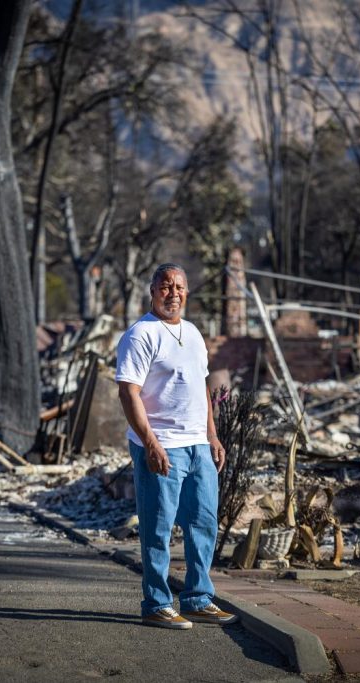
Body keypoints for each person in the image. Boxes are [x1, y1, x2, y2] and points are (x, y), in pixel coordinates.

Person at [115, 263, 239, 630]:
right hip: (161, 445)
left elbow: (202, 388)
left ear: (187, 293)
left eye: (180, 287)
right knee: (158, 527)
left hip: (198, 446)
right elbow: (128, 392)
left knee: (203, 523)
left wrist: (212, 436)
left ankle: (198, 598)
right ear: (153, 291)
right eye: (166, 286)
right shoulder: (140, 335)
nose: (174, 293)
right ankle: (156, 603)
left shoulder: (194, 333)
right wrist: (150, 443)